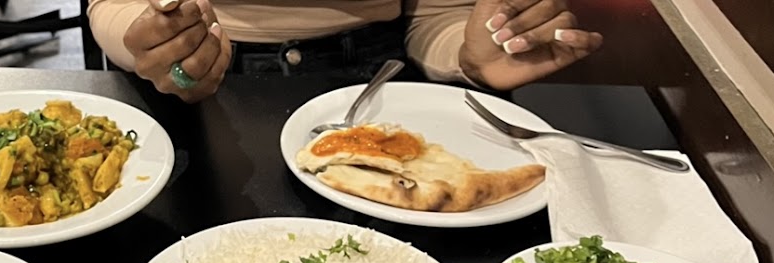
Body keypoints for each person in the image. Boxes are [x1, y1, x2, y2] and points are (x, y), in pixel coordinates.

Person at [86, 0, 604, 102]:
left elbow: (432, 13)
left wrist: (468, 56)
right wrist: (156, 41)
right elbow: (114, 4)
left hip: (378, 82)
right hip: (196, 94)